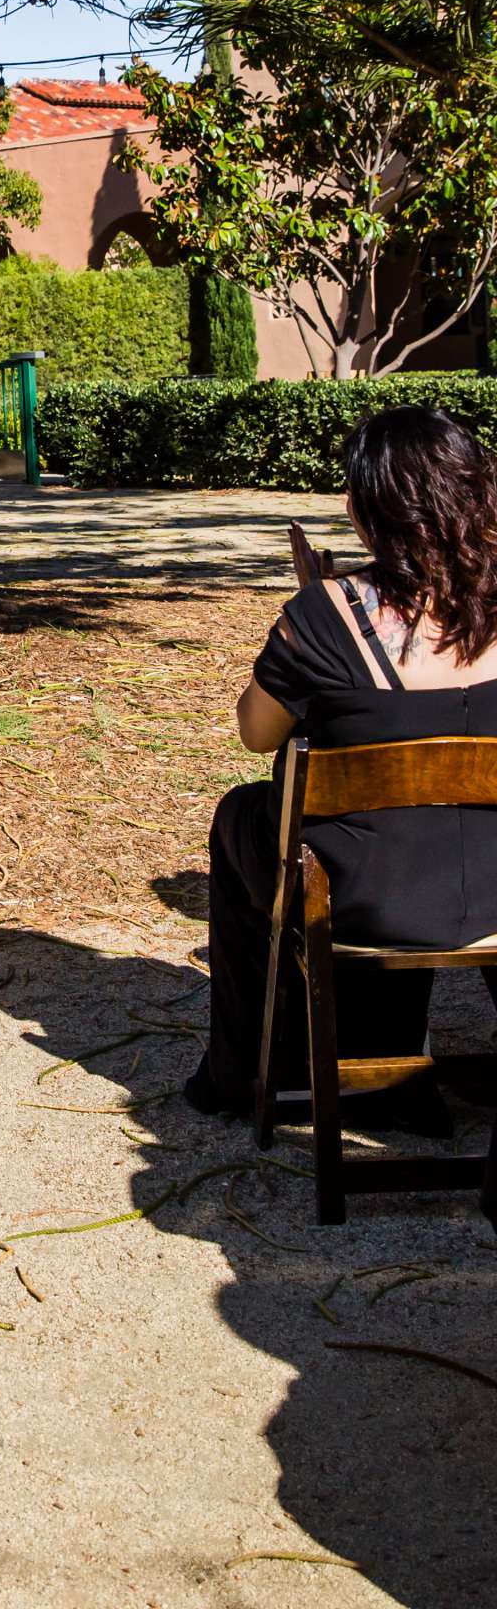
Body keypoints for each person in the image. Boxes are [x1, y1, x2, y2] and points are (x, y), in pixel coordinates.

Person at [188, 404, 497, 1128]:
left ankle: (244, 1073)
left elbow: (256, 733)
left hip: (369, 899)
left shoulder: (327, 615)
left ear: (369, 510)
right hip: (496, 893)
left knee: (242, 815)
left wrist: (312, 604)